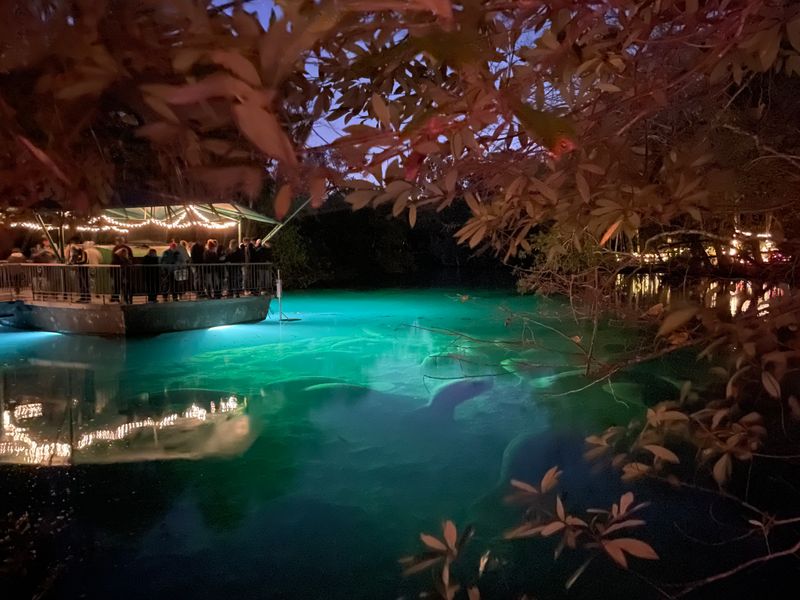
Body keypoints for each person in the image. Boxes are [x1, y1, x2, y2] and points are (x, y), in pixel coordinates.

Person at [111, 237, 133, 303]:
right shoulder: (126, 248)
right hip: (120, 271)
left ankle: (119, 297)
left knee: (120, 285)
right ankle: (120, 298)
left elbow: (114, 258)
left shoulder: (117, 248)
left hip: (121, 271)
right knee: (120, 285)